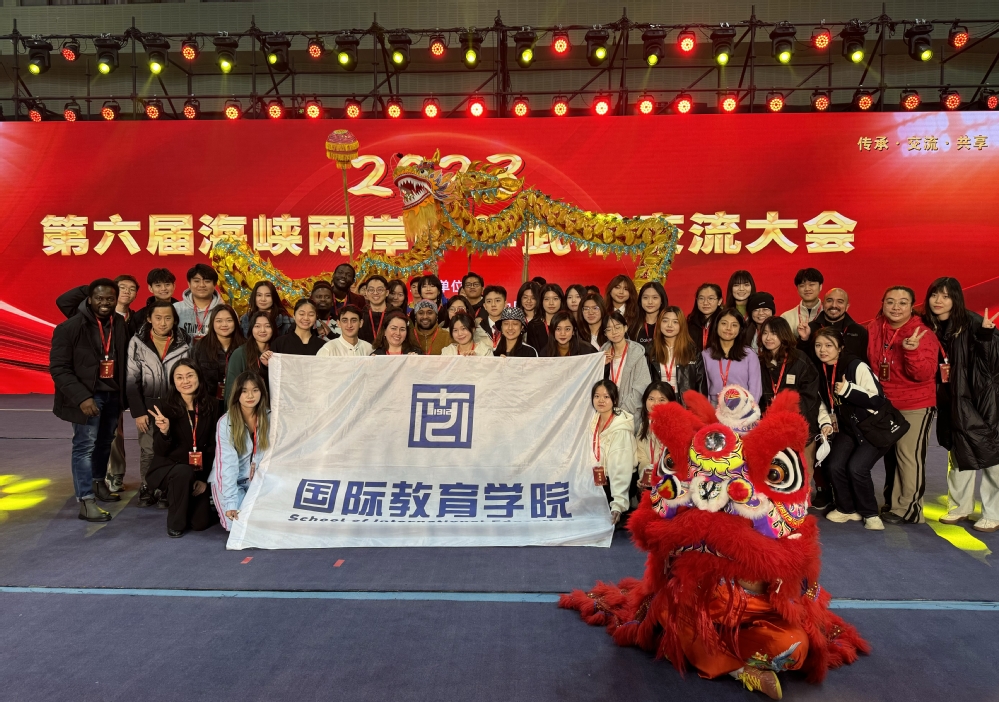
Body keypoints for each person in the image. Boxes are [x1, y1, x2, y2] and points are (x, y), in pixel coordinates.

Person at [923, 278, 999, 532]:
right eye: (935, 295)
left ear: (956, 299)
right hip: (951, 400)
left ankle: (994, 512)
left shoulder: (974, 323)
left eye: (946, 296)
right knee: (957, 453)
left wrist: (987, 337)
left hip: (982, 400)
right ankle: (960, 506)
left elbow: (992, 363)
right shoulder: (929, 326)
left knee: (991, 456)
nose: (939, 301)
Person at [49, 278, 128, 522]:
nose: (105, 303)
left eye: (110, 298)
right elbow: (59, 368)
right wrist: (82, 397)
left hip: (112, 394)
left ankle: (97, 482)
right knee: (84, 446)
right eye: (99, 298)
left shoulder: (119, 323)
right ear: (89, 299)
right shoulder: (70, 326)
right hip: (87, 396)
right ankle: (85, 500)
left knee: (105, 442)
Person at [867, 286, 937, 525]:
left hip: (915, 404)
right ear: (883, 303)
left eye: (903, 302)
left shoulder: (922, 333)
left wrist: (912, 352)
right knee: (892, 458)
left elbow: (924, 373)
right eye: (890, 301)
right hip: (885, 404)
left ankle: (910, 509)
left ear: (912, 306)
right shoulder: (875, 328)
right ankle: (894, 503)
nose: (896, 307)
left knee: (909, 457)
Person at [815, 328, 888, 531]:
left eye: (829, 345)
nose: (823, 350)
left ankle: (870, 513)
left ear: (840, 348)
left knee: (857, 467)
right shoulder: (819, 370)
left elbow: (877, 399)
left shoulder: (856, 366)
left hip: (872, 427)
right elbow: (821, 404)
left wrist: (849, 390)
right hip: (848, 428)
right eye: (818, 345)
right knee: (834, 465)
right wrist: (826, 423)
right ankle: (846, 508)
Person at [127, 299, 193, 507]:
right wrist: (138, 412)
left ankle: (165, 488)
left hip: (176, 405)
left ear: (174, 320)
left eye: (167, 318)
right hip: (148, 406)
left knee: (174, 448)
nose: (163, 323)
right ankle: (147, 487)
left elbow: (191, 374)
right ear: (149, 319)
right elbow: (131, 380)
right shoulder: (137, 342)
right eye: (158, 318)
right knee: (148, 450)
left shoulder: (185, 341)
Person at [147, 359, 218, 537]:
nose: (185, 381)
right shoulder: (164, 407)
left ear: (199, 377)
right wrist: (164, 432)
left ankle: (187, 500)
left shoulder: (213, 405)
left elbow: (212, 446)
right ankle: (175, 523)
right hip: (170, 467)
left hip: (198, 469)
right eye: (179, 377)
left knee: (200, 524)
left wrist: (204, 479)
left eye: (189, 376)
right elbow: (160, 451)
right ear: (173, 382)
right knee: (183, 472)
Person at [757, 317, 832, 486]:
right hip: (770, 427)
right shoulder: (759, 362)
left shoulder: (800, 360)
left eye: (774, 333)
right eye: (765, 333)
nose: (768, 338)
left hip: (799, 427)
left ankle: (802, 501)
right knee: (775, 471)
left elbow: (810, 396)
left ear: (783, 334)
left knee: (802, 472)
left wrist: (787, 411)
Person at [210, 371, 270, 532]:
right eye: (244, 391)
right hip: (231, 483)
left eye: (255, 390)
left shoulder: (270, 418)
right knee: (237, 528)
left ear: (262, 392)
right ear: (237, 393)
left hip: (257, 482)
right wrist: (230, 502)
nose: (250, 395)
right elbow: (226, 465)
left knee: (263, 528)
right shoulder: (225, 422)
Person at [589, 379, 637, 527]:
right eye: (597, 396)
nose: (601, 400)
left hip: (617, 483)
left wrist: (618, 503)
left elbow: (620, 467)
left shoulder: (620, 428)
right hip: (598, 478)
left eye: (606, 396)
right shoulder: (593, 420)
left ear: (614, 399)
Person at [192, 304, 244, 417]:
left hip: (238, 404)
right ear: (212, 323)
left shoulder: (244, 347)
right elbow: (195, 376)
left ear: (236, 322)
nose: (224, 325)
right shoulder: (201, 347)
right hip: (207, 406)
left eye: (229, 320)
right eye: (219, 321)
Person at [648, 306, 708, 404]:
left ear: (682, 325)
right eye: (665, 321)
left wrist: (700, 408)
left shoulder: (692, 350)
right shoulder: (650, 349)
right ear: (659, 323)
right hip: (658, 402)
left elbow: (700, 384)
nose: (669, 325)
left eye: (675, 322)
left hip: (685, 404)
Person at [702, 308, 762, 404]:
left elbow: (755, 388)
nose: (728, 328)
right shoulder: (706, 355)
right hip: (714, 406)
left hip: (742, 406)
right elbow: (705, 388)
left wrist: (749, 409)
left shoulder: (749, 355)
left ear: (740, 329)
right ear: (716, 325)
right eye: (724, 323)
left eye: (734, 325)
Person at [799, 287, 869, 368]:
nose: (834, 305)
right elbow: (801, 361)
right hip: (816, 376)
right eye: (829, 301)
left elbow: (864, 363)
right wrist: (804, 340)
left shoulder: (859, 331)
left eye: (840, 302)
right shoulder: (809, 329)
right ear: (823, 304)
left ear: (847, 306)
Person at [601, 312, 652, 418]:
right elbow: (597, 384)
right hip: (606, 411)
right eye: (609, 329)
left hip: (630, 414)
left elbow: (642, 386)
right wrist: (603, 365)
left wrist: (623, 411)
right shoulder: (602, 354)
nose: (614, 332)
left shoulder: (637, 354)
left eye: (617, 327)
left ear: (625, 327)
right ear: (605, 333)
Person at [224, 311, 274, 405]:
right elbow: (231, 389)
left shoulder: (277, 353)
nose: (262, 330)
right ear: (251, 329)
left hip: (272, 408)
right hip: (245, 408)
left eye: (267, 326)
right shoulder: (240, 353)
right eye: (257, 326)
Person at [634, 381, 676, 491]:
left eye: (662, 400)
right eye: (651, 399)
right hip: (651, 485)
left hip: (672, 484)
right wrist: (644, 476)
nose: (655, 403)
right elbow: (642, 458)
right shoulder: (644, 426)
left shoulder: (677, 427)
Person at [174, 263, 221, 341]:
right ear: (189, 284)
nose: (202, 285)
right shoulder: (176, 309)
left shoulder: (225, 311)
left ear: (214, 284)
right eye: (196, 281)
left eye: (207, 281)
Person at [780, 267, 824, 334]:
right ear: (797, 289)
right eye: (802, 285)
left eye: (811, 285)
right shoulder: (786, 317)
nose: (807, 289)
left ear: (820, 286)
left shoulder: (828, 314)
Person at [526, 284, 565, 351]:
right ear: (541, 301)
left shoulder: (568, 322)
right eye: (546, 299)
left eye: (555, 299)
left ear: (561, 301)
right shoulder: (533, 325)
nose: (551, 303)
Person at [687, 283, 723, 352]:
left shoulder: (724, 323)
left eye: (710, 298)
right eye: (701, 298)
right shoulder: (690, 323)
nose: (705, 303)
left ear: (719, 301)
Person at [631, 282, 667, 347]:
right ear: (640, 300)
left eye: (655, 297)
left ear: (662, 300)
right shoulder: (632, 324)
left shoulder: (668, 324)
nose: (650, 302)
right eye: (645, 297)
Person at [358, 275, 390, 344]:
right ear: (366, 293)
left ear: (387, 293)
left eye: (380, 290)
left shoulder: (396, 315)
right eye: (371, 290)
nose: (375, 293)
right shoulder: (360, 316)